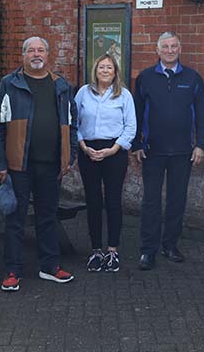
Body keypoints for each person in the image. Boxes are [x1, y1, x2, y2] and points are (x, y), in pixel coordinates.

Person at [0, 36, 78, 291]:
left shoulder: (61, 86)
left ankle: (50, 266)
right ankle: (12, 270)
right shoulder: (9, 84)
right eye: (31, 50)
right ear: (24, 55)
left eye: (41, 50)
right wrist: (0, 164)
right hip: (18, 165)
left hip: (51, 165)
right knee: (15, 219)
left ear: (48, 55)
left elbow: (72, 124)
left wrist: (69, 157)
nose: (36, 54)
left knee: (47, 217)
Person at [132, 31, 204, 270]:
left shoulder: (193, 78)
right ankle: (148, 250)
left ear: (180, 48)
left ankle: (170, 245)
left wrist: (201, 144)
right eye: (164, 46)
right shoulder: (145, 78)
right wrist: (136, 144)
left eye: (173, 46)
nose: (169, 50)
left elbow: (202, 114)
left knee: (177, 200)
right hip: (152, 151)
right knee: (151, 201)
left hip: (182, 152)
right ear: (157, 50)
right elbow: (135, 113)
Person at [74, 54, 136, 272]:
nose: (105, 70)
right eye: (101, 67)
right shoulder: (83, 93)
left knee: (112, 200)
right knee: (93, 200)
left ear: (115, 71)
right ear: (95, 70)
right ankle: (96, 251)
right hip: (88, 151)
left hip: (114, 152)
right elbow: (74, 121)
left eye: (109, 67)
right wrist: (82, 145)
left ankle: (112, 250)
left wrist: (114, 149)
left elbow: (130, 126)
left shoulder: (124, 95)